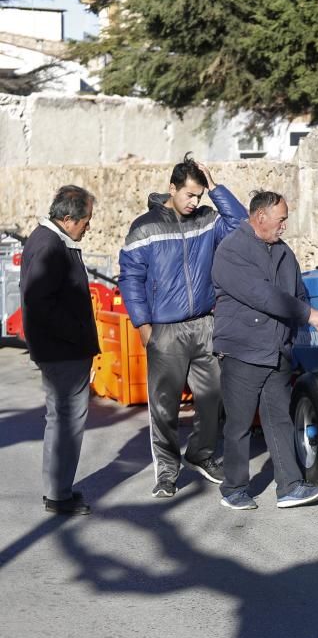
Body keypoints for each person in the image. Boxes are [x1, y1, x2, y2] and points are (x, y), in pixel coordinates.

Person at [118, 154, 247, 498]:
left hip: (205, 324)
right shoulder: (144, 227)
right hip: (164, 330)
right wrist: (144, 326)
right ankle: (166, 471)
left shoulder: (208, 220)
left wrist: (216, 187)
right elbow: (130, 277)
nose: (194, 202)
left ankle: (201, 454)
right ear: (171, 188)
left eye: (199, 196)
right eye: (189, 194)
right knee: (164, 405)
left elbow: (241, 224)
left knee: (212, 397)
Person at [212, 190, 318, 510]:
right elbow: (261, 294)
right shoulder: (231, 250)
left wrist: (294, 340)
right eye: (280, 218)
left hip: (276, 349)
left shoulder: (285, 253)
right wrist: (308, 315)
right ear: (260, 216)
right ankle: (234, 489)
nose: (284, 225)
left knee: (280, 419)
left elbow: (298, 293)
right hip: (243, 349)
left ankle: (290, 486)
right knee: (239, 424)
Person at [20, 185, 100, 515]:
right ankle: (58, 495)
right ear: (68, 219)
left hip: (60, 350)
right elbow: (39, 303)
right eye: (86, 221)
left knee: (61, 419)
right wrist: (78, 335)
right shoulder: (49, 245)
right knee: (66, 421)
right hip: (62, 352)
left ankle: (58, 490)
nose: (88, 227)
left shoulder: (50, 241)